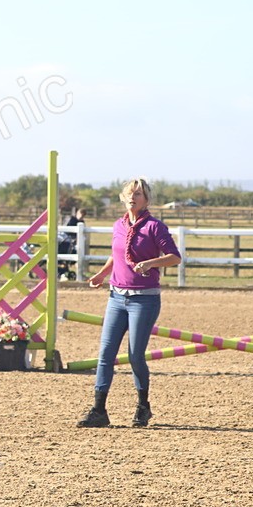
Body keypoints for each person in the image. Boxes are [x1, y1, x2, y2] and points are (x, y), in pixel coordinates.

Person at [77, 179, 181, 428]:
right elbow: (117, 255)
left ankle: (143, 406)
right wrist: (102, 274)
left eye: (138, 194)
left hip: (144, 300)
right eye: (129, 193)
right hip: (116, 297)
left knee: (135, 355)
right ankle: (99, 410)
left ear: (147, 199)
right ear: (123, 198)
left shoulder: (155, 227)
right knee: (105, 354)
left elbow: (174, 257)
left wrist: (151, 263)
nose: (133, 197)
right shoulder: (118, 225)